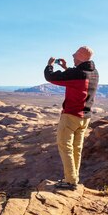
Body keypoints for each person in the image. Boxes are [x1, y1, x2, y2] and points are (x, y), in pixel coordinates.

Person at [44, 46, 99, 190]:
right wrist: (66, 67)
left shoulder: (78, 73)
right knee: (77, 149)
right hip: (85, 117)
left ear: (80, 57)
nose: (73, 57)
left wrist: (49, 65)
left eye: (75, 56)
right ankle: (73, 179)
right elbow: (76, 78)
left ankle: (70, 181)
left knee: (65, 146)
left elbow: (51, 77)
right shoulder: (94, 73)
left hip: (71, 116)